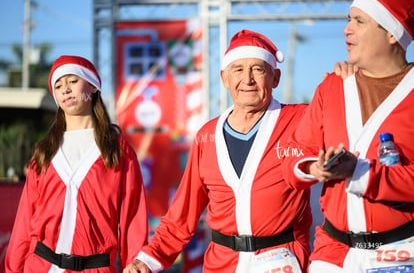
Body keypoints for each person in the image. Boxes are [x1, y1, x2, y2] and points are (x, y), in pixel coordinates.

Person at [123, 29, 313, 273]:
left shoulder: (301, 119)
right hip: (221, 264)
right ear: (224, 78)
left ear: (275, 77)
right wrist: (149, 259)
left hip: (282, 262)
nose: (248, 79)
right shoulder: (206, 136)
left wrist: (349, 80)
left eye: (258, 68)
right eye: (238, 70)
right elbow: (183, 213)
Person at [282, 0, 414, 272]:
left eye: (359, 21)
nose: (346, 29)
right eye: (348, 19)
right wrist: (313, 167)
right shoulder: (332, 86)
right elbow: (295, 150)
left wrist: (361, 172)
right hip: (333, 253)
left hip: (401, 253)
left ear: (392, 33)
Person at [5, 55, 149, 272]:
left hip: (95, 267)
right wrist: (13, 269)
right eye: (58, 85)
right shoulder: (45, 151)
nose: (65, 89)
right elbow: (25, 221)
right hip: (40, 266)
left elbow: (133, 218)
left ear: (92, 87)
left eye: (72, 81)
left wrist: (135, 264)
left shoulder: (117, 150)